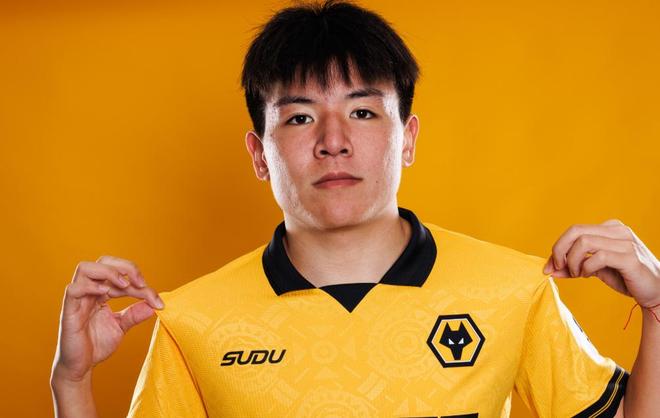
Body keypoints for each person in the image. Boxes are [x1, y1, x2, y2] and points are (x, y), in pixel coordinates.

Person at [50, 1, 660, 417]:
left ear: (409, 139)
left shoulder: (513, 290)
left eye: (363, 111)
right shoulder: (192, 321)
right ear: (259, 154)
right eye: (300, 117)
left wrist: (658, 309)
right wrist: (71, 383)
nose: (333, 140)